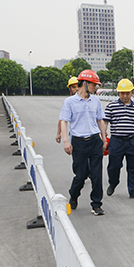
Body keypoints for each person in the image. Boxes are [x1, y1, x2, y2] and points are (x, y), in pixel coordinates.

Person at [58, 69, 108, 216]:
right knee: (81, 175)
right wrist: (66, 141)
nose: (95, 87)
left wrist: (103, 137)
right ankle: (74, 195)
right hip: (78, 142)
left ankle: (96, 204)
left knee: (97, 175)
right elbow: (64, 121)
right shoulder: (69, 102)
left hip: (95, 141)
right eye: (94, 84)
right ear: (85, 83)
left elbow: (100, 120)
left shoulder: (95, 101)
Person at [105, 78, 134, 200]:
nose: (124, 96)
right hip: (116, 140)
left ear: (132, 92)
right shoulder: (111, 107)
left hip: (132, 140)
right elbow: (105, 122)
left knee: (133, 168)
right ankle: (113, 183)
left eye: (127, 93)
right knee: (114, 166)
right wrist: (103, 135)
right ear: (118, 93)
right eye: (122, 93)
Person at [55, 76, 80, 143]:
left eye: (78, 86)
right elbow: (63, 119)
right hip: (75, 135)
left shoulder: (89, 100)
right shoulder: (69, 102)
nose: (77, 89)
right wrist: (58, 133)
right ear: (70, 89)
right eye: (74, 87)